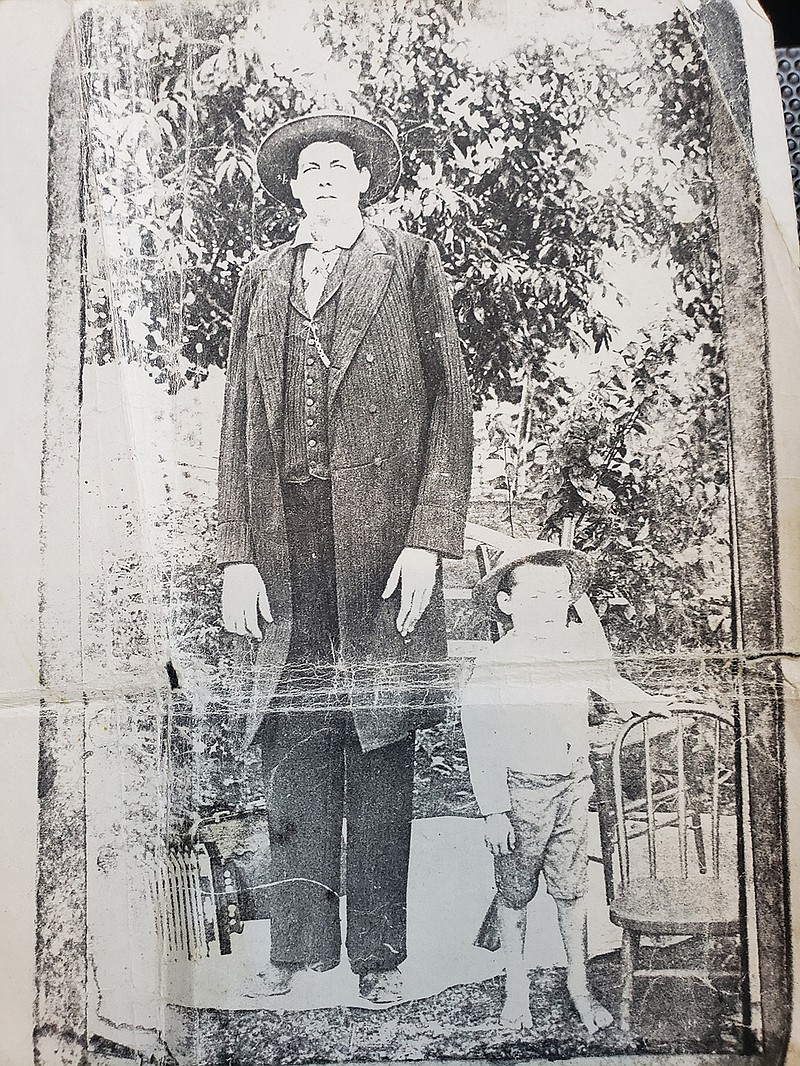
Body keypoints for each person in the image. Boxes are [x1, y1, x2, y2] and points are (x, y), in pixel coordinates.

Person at [217, 112, 473, 1003]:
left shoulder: (410, 263)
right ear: (291, 187)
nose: (324, 177)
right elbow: (237, 428)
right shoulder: (260, 279)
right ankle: (292, 953)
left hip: (380, 552)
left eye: (340, 165)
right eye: (309, 168)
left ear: (364, 181)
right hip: (285, 551)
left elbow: (451, 409)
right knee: (292, 743)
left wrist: (429, 541)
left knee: (378, 742)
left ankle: (377, 961)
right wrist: (235, 556)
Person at [460, 541, 671, 1031]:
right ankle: (517, 992)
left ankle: (579, 985)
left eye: (558, 596)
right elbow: (481, 739)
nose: (549, 607)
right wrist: (493, 809)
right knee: (515, 896)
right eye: (534, 597)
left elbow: (611, 681)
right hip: (519, 797)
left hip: (574, 787)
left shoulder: (575, 649)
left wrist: (646, 701)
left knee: (572, 891)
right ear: (506, 603)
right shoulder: (495, 664)